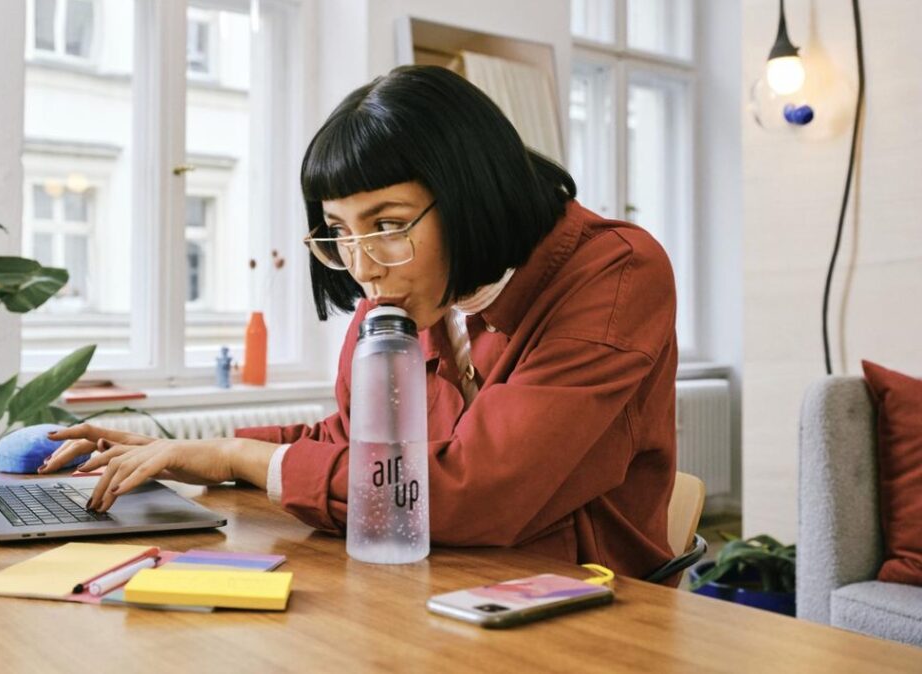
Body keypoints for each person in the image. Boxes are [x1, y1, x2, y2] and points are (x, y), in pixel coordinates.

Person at [39, 65, 678, 581]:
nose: (363, 267)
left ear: (469, 192)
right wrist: (195, 455)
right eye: (340, 233)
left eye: (388, 223)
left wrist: (241, 454)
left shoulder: (616, 275)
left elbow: (476, 492)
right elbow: (353, 437)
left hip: (580, 605)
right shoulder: (399, 290)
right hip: (438, 584)